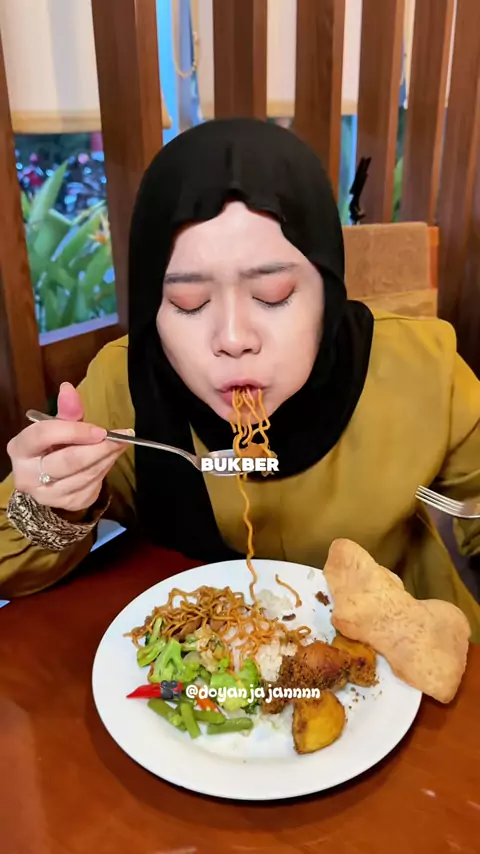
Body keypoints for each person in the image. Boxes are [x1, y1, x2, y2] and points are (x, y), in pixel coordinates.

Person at [1, 118, 479, 640]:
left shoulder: (420, 368)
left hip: (402, 660)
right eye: (189, 302)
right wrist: (50, 505)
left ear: (329, 291)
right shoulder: (127, 386)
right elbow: (10, 567)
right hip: (211, 665)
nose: (233, 338)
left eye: (273, 295)